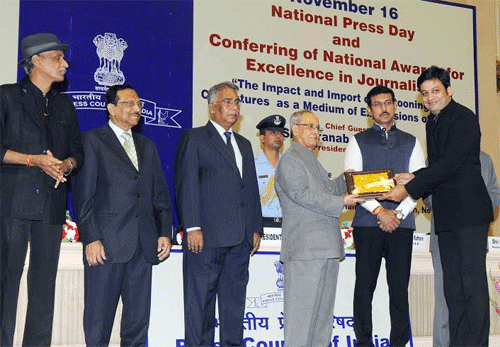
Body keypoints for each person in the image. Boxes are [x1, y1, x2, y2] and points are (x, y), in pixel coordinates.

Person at [380, 66, 494, 347]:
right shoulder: (433, 122)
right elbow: (439, 168)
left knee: (472, 290)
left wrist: (408, 187)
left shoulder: (464, 118)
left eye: (435, 91)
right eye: (425, 93)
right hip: (446, 218)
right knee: (452, 291)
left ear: (448, 91)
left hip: (469, 216)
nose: (430, 98)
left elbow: (449, 164)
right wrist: (415, 177)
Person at [0, 32, 83, 346]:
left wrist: (66, 165)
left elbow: (78, 153)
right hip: (12, 206)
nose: (65, 63)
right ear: (35, 60)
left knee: (43, 289)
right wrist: (33, 160)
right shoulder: (6, 96)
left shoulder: (64, 105)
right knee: (6, 285)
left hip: (50, 207)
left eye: (63, 58)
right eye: (57, 57)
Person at [74, 84, 172, 346]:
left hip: (143, 245)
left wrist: (164, 231)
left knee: (137, 322)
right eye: (129, 103)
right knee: (99, 321)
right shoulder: (93, 140)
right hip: (106, 246)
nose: (137, 108)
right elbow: (84, 196)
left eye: (138, 104)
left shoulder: (147, 146)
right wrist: (91, 238)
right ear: (111, 109)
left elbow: (159, 195)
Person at [174, 81, 263, 346]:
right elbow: (185, 184)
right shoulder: (195, 138)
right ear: (212, 107)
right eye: (228, 102)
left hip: (240, 240)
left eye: (236, 102)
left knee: (234, 309)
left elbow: (250, 188)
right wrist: (191, 227)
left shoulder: (245, 144)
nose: (234, 107)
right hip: (206, 238)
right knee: (200, 307)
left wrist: (255, 228)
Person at [344, 86, 425, 347]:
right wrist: (380, 212)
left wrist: (397, 215)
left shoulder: (412, 141)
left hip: (402, 225)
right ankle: (363, 343)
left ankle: (399, 343)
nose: (383, 108)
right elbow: (352, 183)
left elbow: (419, 183)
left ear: (395, 105)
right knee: (364, 288)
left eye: (387, 102)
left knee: (399, 290)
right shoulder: (357, 141)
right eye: (377, 104)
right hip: (368, 224)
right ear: (369, 111)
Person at [275, 110, 363, 347]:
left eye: (318, 128)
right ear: (295, 129)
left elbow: (324, 193)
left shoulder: (310, 159)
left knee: (321, 325)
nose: (316, 132)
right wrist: (342, 201)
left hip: (325, 249)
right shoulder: (291, 159)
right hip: (306, 251)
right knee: (300, 324)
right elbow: (302, 196)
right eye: (310, 127)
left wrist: (345, 180)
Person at [427, 151, 500, 347]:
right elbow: (425, 194)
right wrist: (452, 207)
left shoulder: (484, 159)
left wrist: (475, 209)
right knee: (445, 299)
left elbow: (494, 192)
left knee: (474, 300)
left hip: (474, 238)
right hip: (444, 235)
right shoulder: (436, 157)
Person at [255, 114, 287, 227]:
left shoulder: (290, 165)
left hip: (287, 224)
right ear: (262, 138)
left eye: (281, 133)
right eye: (273, 132)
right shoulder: (252, 165)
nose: (278, 136)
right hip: (262, 224)